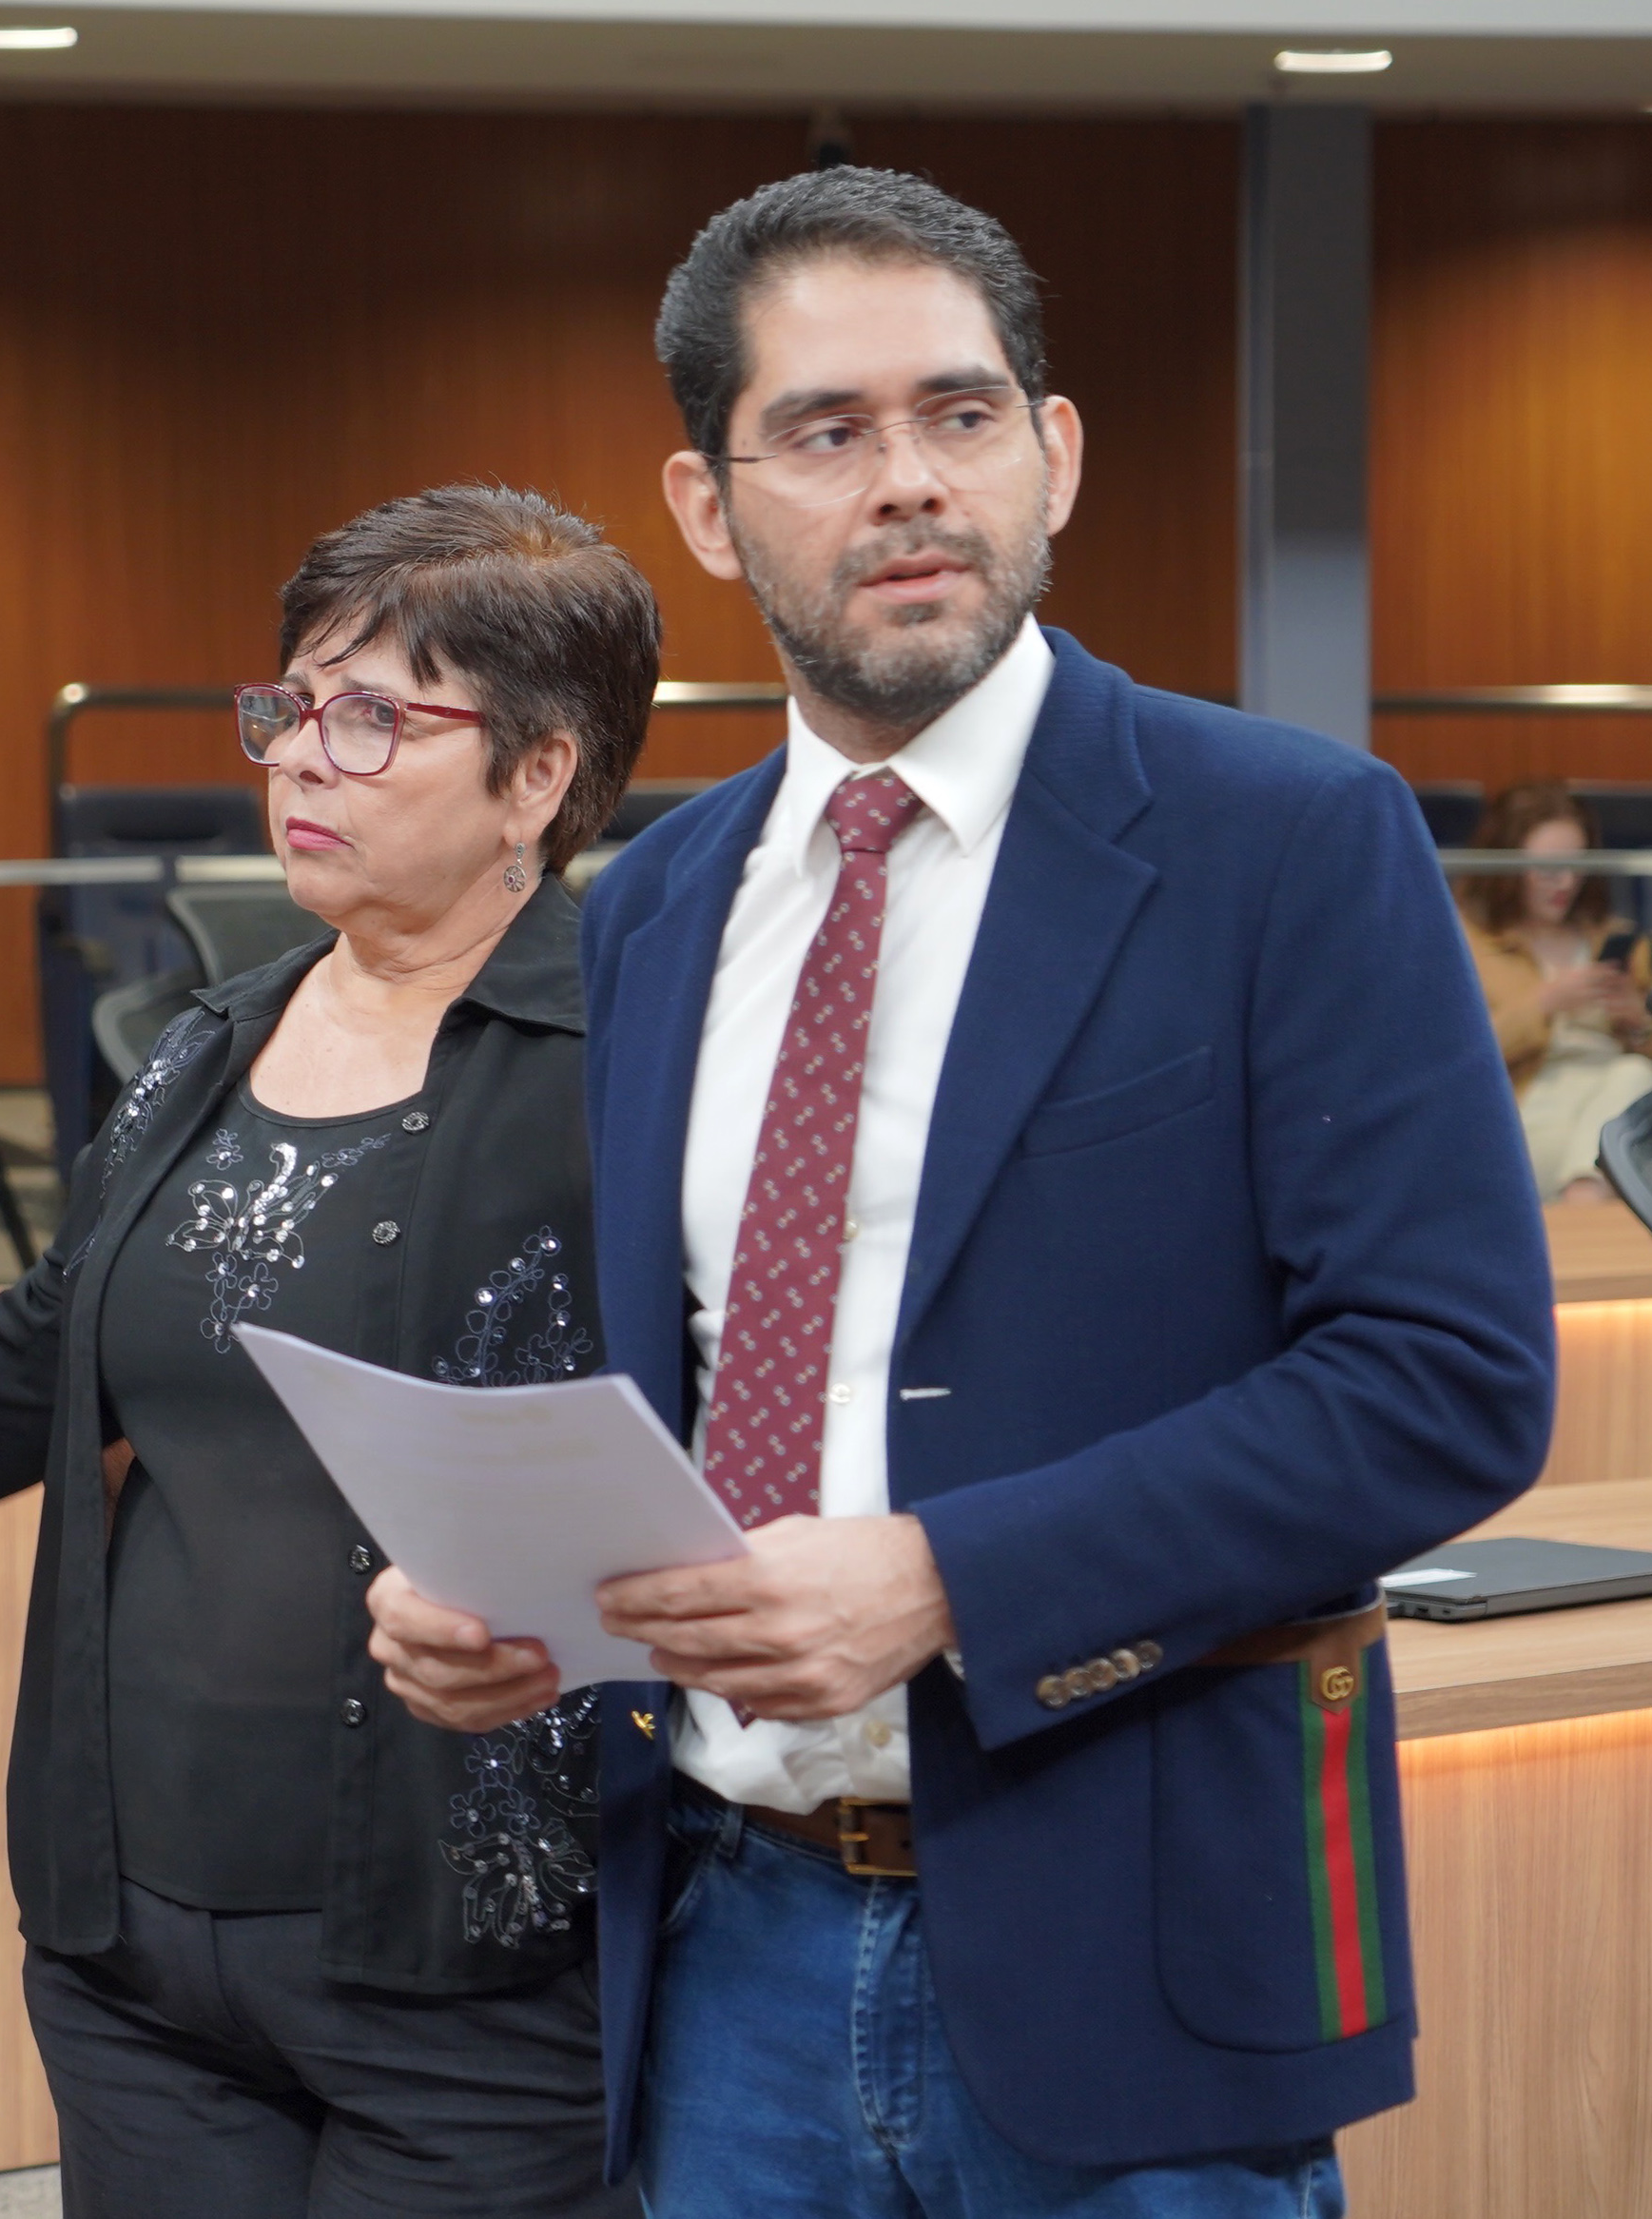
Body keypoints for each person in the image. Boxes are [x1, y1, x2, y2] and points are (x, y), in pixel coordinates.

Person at [366, 170, 1554, 2218]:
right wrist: (525, 1604)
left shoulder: (1286, 840)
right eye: (825, 430)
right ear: (708, 507)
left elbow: (1442, 1380)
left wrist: (947, 1577)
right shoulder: (652, 904)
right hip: (721, 1941)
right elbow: (674, 1379)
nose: (907, 479)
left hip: (1136, 1952)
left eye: (959, 413)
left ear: (1052, 452)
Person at [0, 485, 659, 2217]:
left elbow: (722, 1462)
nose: (301, 756)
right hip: (134, 1953)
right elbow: (59, 1329)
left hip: (470, 1966)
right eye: (291, 706)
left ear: (536, 775)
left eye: (372, 717)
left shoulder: (626, 1057)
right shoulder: (210, 1037)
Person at [1456, 779, 1652, 1202]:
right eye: (1548, 868)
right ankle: (1589, 1195)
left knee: (1634, 1078)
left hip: (1612, 1100)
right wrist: (1545, 1003)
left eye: (1577, 865)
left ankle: (1583, 1197)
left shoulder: (1614, 939)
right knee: (1631, 1108)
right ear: (1507, 865)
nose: (1565, 882)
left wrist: (1637, 1023)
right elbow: (1456, 1057)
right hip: (1530, 1106)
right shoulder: (1469, 945)